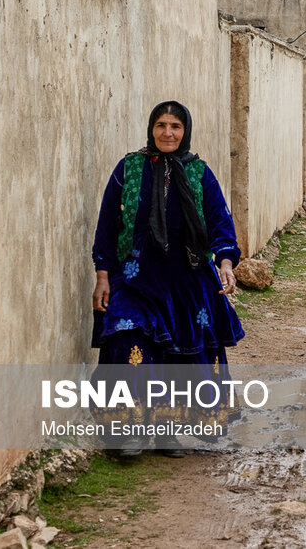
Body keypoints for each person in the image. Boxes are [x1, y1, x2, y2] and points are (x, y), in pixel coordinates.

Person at [91, 101, 244, 455]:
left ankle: (166, 432)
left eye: (175, 126)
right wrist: (103, 276)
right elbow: (106, 228)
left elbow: (220, 223)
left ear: (185, 131)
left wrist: (224, 263)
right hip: (134, 277)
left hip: (186, 281)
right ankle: (124, 433)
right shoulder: (129, 168)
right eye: (161, 125)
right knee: (129, 343)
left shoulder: (199, 173)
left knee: (178, 355)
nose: (168, 133)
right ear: (151, 128)